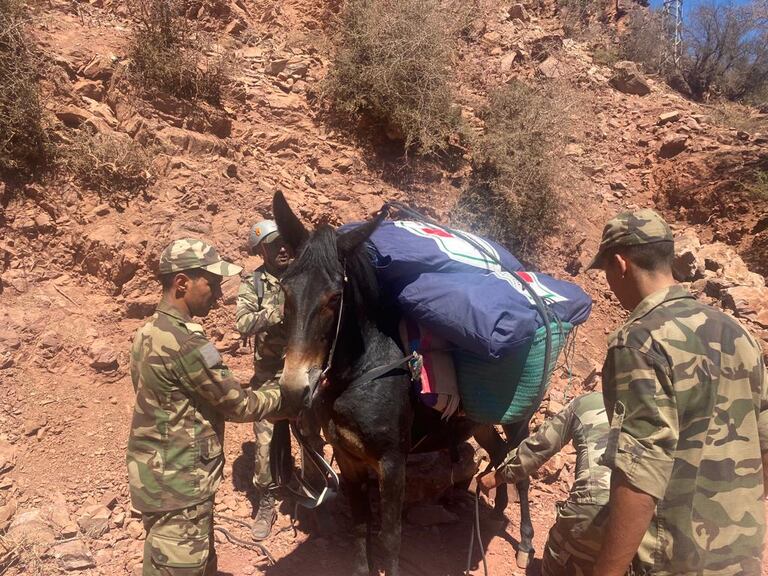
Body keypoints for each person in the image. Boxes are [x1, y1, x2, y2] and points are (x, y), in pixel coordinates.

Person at [587, 209, 768, 576]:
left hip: (674, 558)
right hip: (742, 553)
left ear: (619, 265)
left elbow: (639, 474)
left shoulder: (638, 342)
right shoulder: (736, 331)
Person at [127, 238, 291, 576]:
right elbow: (238, 405)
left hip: (156, 477)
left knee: (170, 559)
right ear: (182, 283)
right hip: (182, 485)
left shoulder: (147, 332)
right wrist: (286, 396)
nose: (217, 294)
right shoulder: (187, 342)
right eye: (212, 283)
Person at [477, 392, 611, 576]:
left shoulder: (587, 402)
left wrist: (497, 477)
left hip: (591, 509)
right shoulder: (652, 415)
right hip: (644, 516)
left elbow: (539, 447)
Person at [235, 220, 294, 540]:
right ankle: (267, 500)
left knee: (313, 433)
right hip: (270, 375)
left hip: (304, 371)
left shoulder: (303, 274)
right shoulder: (254, 283)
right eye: (273, 245)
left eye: (284, 242)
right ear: (262, 251)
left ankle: (313, 490)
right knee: (265, 440)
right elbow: (243, 323)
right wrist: (277, 311)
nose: (282, 248)